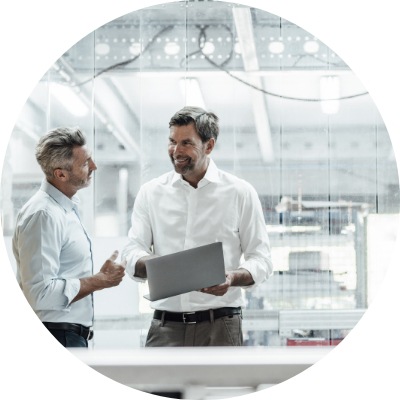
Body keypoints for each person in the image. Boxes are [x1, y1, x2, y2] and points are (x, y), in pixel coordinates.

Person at [122, 106, 273, 347]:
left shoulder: (239, 192)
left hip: (221, 327)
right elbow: (131, 252)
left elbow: (262, 260)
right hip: (165, 328)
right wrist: (160, 268)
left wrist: (231, 278)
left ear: (209, 146)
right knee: (161, 387)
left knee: (222, 387)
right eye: (172, 141)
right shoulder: (150, 193)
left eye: (186, 143)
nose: (176, 151)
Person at [12, 127, 126, 348]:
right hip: (56, 335)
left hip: (68, 335)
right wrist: (99, 281)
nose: (94, 166)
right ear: (60, 174)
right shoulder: (44, 215)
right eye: (85, 163)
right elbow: (40, 294)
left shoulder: (65, 209)